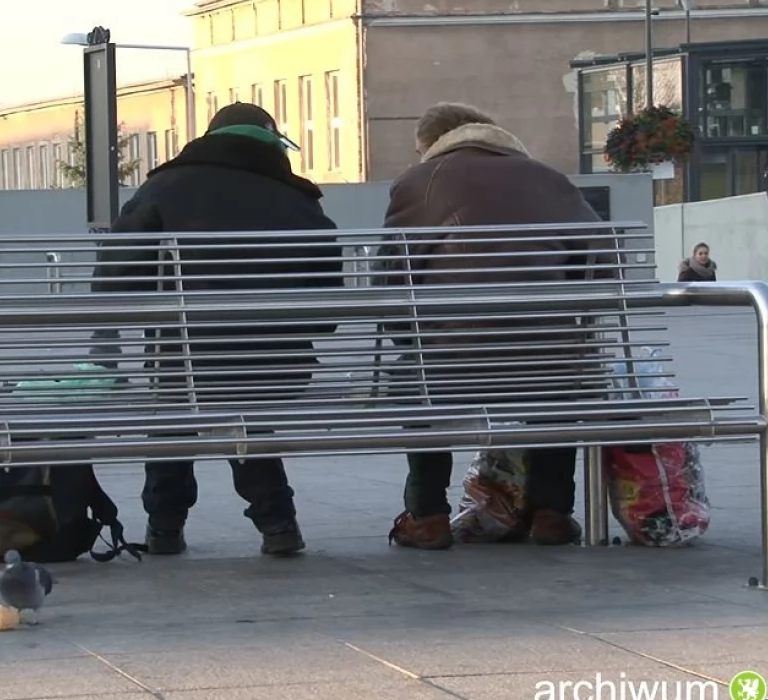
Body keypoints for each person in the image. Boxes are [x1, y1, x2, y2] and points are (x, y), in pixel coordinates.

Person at [90, 102, 343, 557]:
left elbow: (114, 280)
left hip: (184, 365)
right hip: (277, 368)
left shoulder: (164, 186)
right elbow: (325, 313)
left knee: (174, 403)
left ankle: (164, 526)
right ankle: (278, 523)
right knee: (244, 408)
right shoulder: (297, 197)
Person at [376, 102, 610, 550]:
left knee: (414, 377)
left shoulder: (417, 182)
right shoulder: (549, 178)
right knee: (562, 372)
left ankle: (427, 515)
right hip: (549, 362)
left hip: (449, 360)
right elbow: (602, 266)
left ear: (430, 145)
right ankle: (551, 512)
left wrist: (413, 340)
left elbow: (392, 281)